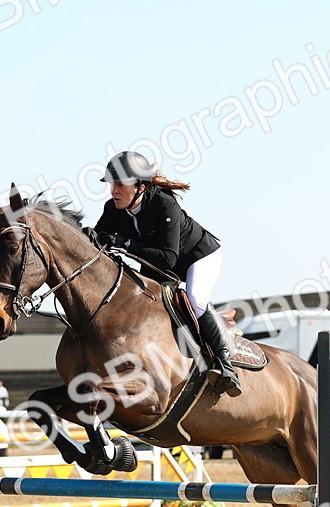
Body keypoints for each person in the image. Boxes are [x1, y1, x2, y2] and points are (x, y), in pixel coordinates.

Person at [87, 151, 240, 397]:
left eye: (120, 185)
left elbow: (168, 257)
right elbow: (98, 242)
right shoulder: (112, 209)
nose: (113, 191)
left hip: (197, 258)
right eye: (112, 184)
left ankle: (226, 365)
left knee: (196, 300)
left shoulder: (163, 204)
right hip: (157, 264)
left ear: (140, 186)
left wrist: (123, 243)